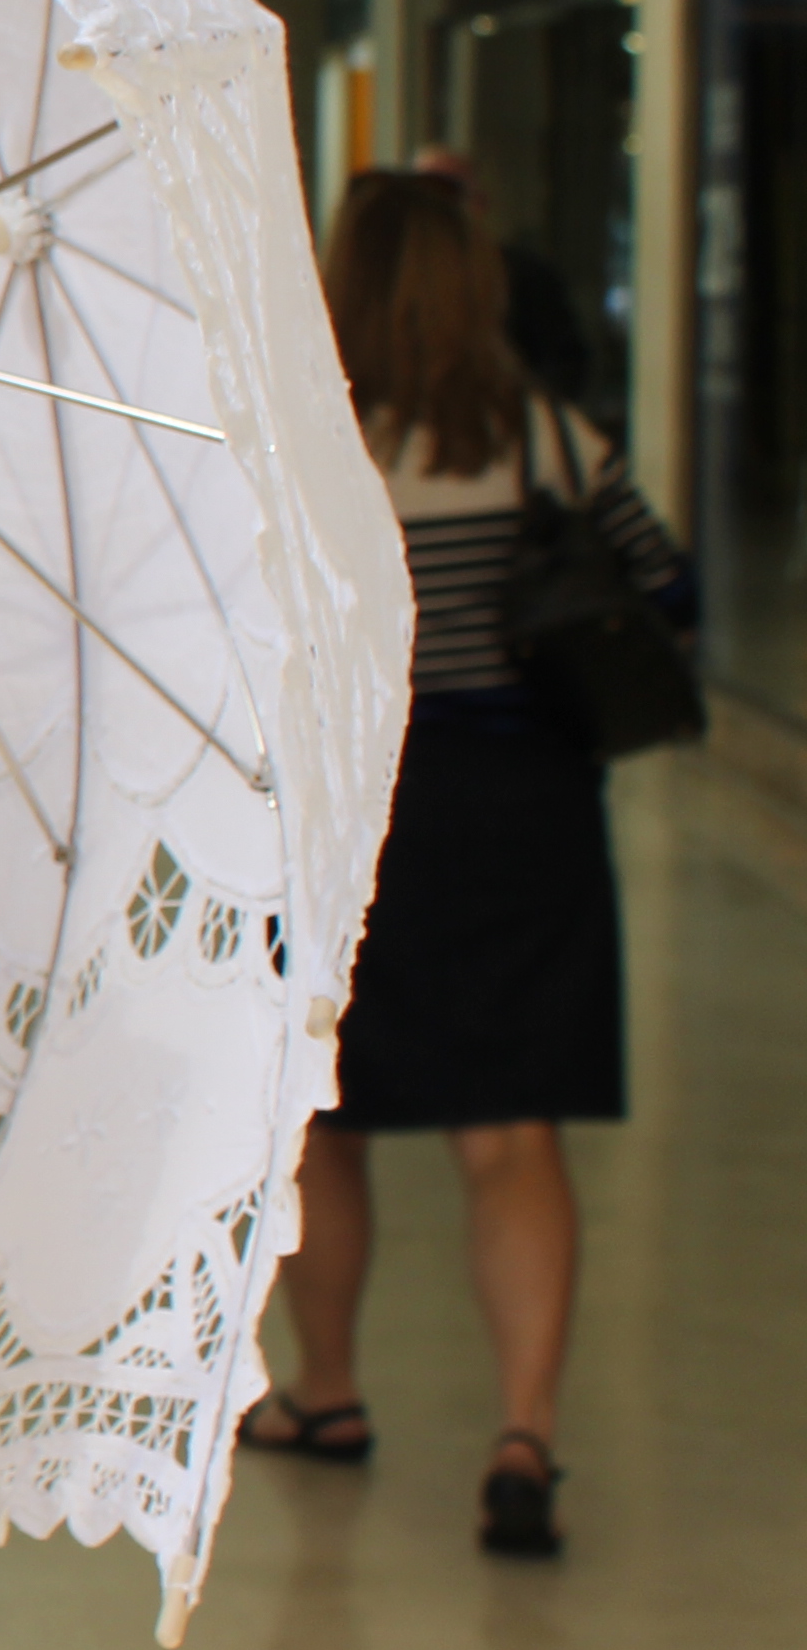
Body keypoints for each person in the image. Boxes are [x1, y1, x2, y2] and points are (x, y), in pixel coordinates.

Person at [244, 171, 693, 1558]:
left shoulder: (316, 442)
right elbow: (666, 590)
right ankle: (524, 1435)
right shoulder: (554, 441)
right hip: (524, 812)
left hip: (361, 817)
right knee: (510, 1135)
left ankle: (328, 1392)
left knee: (332, 1121)